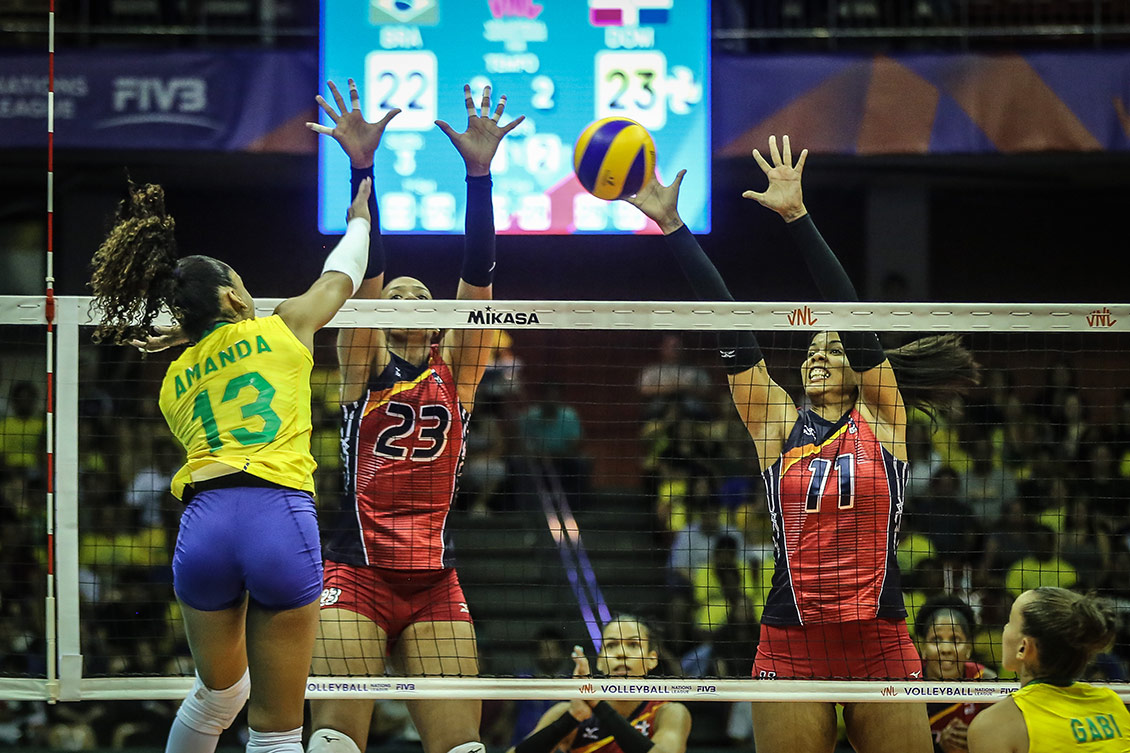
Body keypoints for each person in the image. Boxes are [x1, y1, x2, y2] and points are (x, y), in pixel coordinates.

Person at [623, 134, 978, 753]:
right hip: (791, 637)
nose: (819, 352)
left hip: (881, 636)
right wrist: (675, 228)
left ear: (859, 366)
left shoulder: (885, 419)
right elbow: (732, 328)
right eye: (812, 348)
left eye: (833, 348)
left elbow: (849, 315)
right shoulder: (774, 427)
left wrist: (797, 217)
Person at [88, 168, 375, 753]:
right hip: (278, 518)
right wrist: (359, 219)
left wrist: (187, 339)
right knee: (276, 730)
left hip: (204, 527)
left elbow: (217, 355)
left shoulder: (171, 383)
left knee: (217, 696)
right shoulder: (286, 326)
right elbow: (342, 274)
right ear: (232, 297)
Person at [305, 80, 523, 753]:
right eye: (394, 291)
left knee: (463, 748)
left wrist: (478, 175)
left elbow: (477, 274)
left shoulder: (457, 371)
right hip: (356, 571)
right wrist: (363, 168)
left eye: (419, 294)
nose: (405, 296)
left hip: (434, 578)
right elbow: (370, 269)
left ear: (436, 316)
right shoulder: (363, 361)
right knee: (336, 745)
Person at [967, 587, 1130, 752]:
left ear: (1023, 648)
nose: (1004, 628)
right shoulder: (1112, 703)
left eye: (1010, 622)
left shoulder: (994, 725)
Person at [509, 616, 692, 753]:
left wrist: (598, 705)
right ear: (599, 662)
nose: (621, 653)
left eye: (633, 645)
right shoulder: (566, 711)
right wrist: (573, 718)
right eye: (611, 645)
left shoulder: (668, 712)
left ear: (652, 660)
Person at [915, 597, 996, 753]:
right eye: (936, 640)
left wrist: (976, 740)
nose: (946, 649)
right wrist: (939, 747)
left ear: (968, 648)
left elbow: (1004, 736)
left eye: (955, 640)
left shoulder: (983, 679)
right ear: (923, 648)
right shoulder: (909, 683)